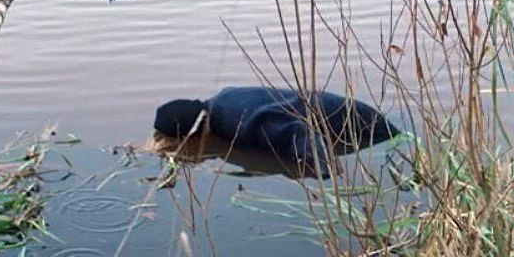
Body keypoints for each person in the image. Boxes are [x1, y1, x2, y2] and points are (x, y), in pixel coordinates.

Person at [153, 86, 401, 177]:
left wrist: (324, 169)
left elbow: (296, 130)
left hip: (368, 129)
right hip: (351, 110)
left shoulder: (236, 123)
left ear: (193, 135)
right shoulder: (223, 97)